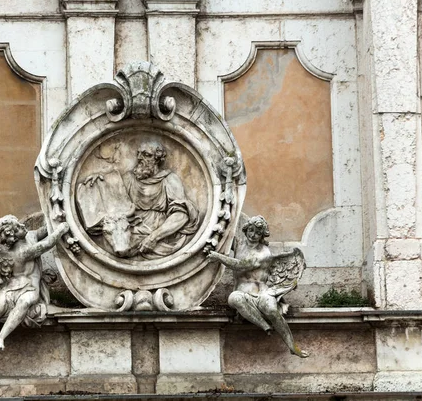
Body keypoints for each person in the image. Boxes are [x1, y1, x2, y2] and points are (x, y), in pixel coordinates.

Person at [207, 215, 309, 358]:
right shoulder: (238, 243)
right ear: (247, 229)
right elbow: (221, 237)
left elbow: (241, 265)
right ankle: (264, 325)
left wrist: (218, 257)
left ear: (262, 235)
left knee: (271, 309)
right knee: (233, 298)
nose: (253, 235)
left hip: (263, 293)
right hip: (243, 292)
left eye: (258, 233)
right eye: (251, 230)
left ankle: (292, 346)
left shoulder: (263, 253)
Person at [0, 216, 69, 350]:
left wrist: (54, 218)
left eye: (20, 224)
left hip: (20, 288)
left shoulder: (31, 235)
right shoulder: (22, 252)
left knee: (16, 305)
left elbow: (45, 230)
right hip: (18, 288)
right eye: (18, 227)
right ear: (13, 237)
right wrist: (62, 228)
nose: (23, 226)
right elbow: (48, 243)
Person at [85, 140, 199, 259]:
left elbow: (181, 215)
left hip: (160, 236)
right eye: (139, 154)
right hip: (129, 231)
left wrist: (153, 237)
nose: (140, 158)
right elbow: (113, 199)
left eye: (146, 155)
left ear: (157, 159)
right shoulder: (129, 178)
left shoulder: (170, 180)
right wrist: (100, 182)